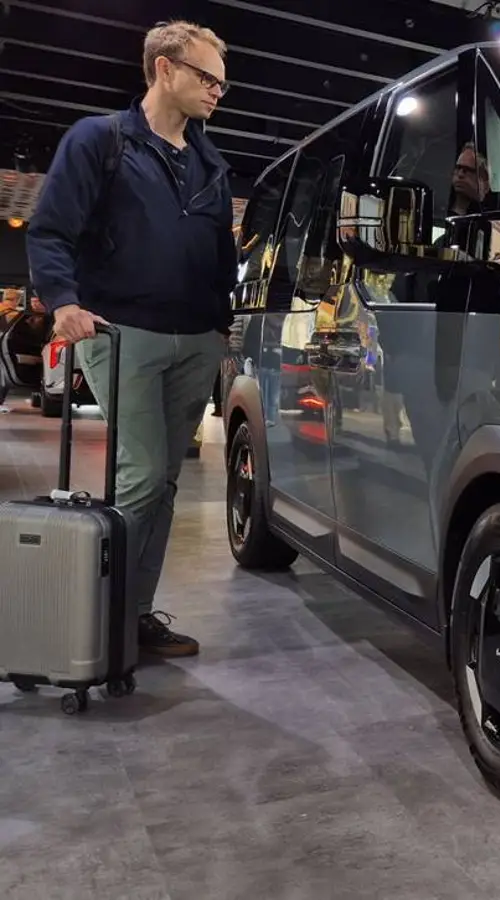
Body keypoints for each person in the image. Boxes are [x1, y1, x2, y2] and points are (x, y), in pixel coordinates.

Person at [26, 20, 239, 658]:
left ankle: (134, 616)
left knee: (164, 481)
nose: (217, 91)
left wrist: (220, 324)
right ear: (164, 69)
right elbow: (50, 229)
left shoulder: (209, 162)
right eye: (206, 77)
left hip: (195, 340)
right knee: (141, 476)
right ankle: (100, 618)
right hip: (123, 334)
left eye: (222, 83)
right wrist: (63, 302)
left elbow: (219, 255)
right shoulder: (101, 140)